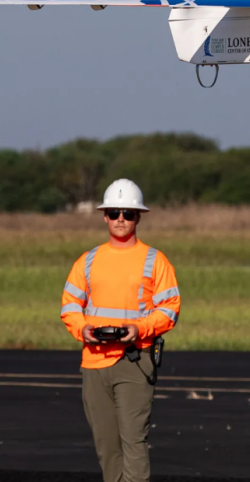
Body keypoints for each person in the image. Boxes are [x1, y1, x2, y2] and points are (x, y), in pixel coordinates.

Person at [60, 179, 181, 482]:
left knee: (133, 442)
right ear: (104, 216)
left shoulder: (155, 260)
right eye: (114, 213)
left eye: (128, 213)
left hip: (134, 361)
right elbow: (69, 305)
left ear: (139, 216)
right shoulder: (87, 261)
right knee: (107, 447)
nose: (121, 220)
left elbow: (169, 309)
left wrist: (138, 328)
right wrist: (83, 329)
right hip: (94, 363)